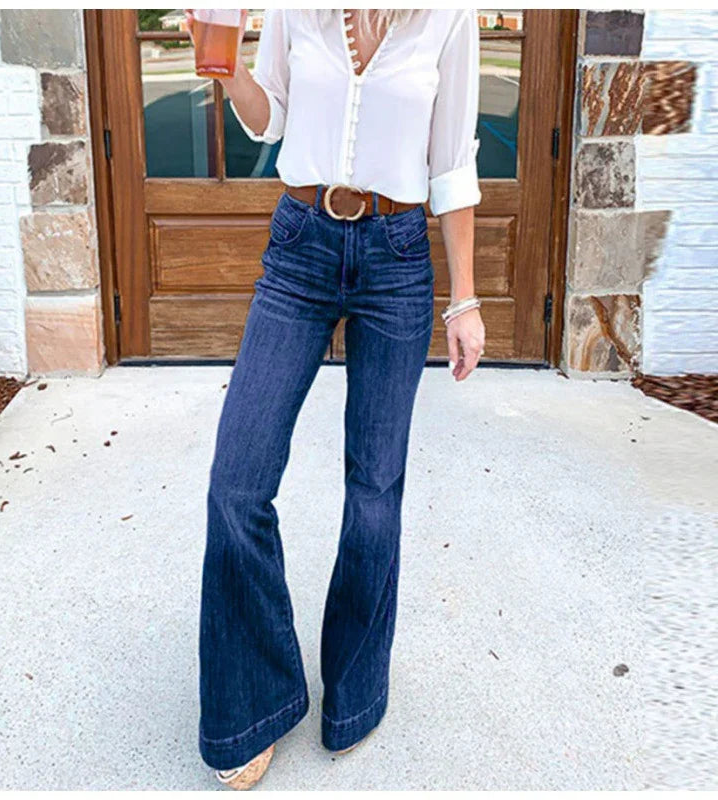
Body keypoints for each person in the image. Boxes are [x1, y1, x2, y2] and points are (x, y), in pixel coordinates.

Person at [188, 8, 485, 789]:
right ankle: (254, 704)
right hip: (299, 246)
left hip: (397, 255)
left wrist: (465, 300)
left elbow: (452, 163)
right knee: (236, 483)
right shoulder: (295, 9)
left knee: (374, 493)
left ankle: (354, 695)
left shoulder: (447, 17)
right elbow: (270, 120)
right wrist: (229, 69)